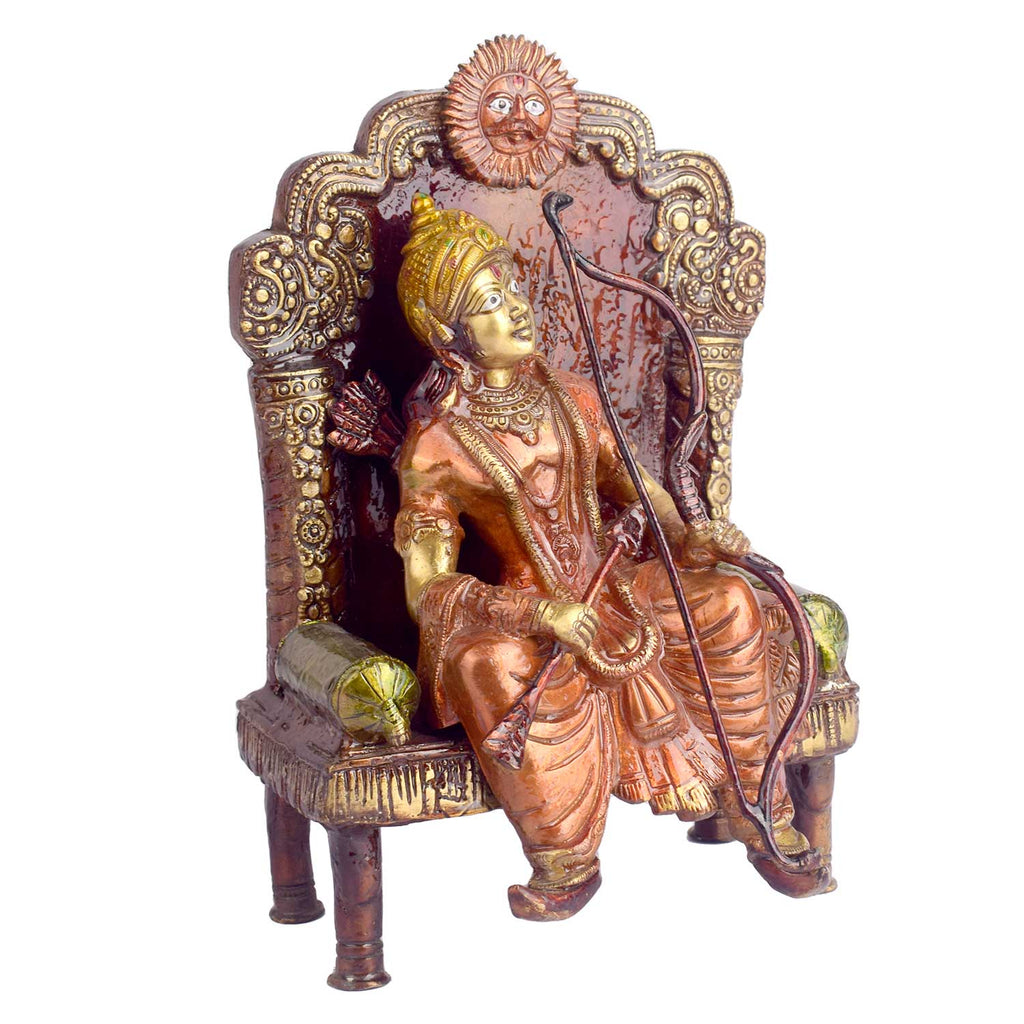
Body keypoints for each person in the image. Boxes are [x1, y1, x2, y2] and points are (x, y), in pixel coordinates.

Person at [393, 194, 828, 918]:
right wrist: (540, 614)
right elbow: (427, 591)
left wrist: (693, 535)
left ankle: (759, 806)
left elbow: (643, 492)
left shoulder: (573, 397)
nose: (517, 309)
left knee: (727, 599)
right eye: (491, 302)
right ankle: (564, 858)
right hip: (531, 613)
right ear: (450, 334)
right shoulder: (436, 445)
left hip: (617, 583)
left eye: (515, 289)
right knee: (487, 667)